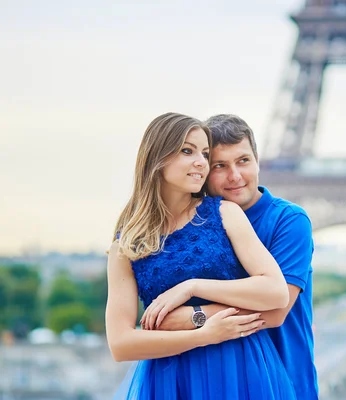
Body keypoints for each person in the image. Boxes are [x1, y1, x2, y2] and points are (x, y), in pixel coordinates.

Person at [105, 112, 297, 399]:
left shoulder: (224, 213)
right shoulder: (128, 242)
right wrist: (202, 335)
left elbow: (276, 292)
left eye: (205, 153)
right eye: (187, 151)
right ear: (157, 159)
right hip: (172, 379)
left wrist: (191, 287)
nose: (201, 162)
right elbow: (120, 343)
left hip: (240, 368)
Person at [156, 114, 319, 399]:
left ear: (257, 160)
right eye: (220, 166)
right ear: (204, 171)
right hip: (213, 384)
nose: (235, 176)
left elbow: (275, 311)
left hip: (282, 381)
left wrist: (190, 314)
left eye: (243, 161)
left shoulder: (289, 221)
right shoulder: (191, 227)